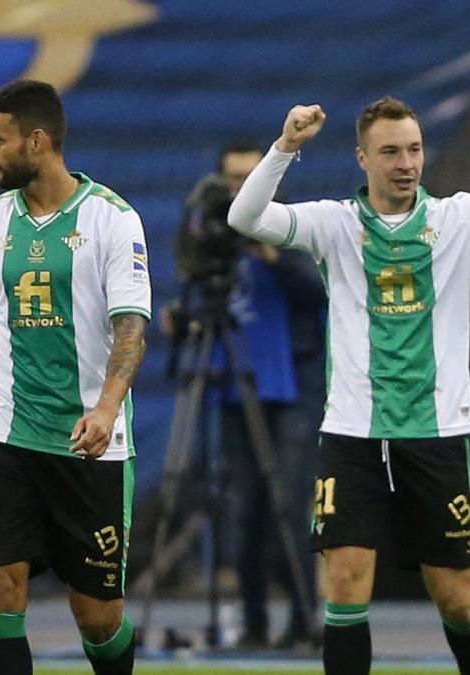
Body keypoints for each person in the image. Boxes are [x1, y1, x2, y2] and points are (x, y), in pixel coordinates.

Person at [228, 93, 470, 674]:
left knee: (457, 594)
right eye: (390, 151)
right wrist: (285, 149)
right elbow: (244, 219)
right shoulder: (334, 225)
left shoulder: (461, 218)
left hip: (436, 433)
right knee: (343, 581)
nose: (405, 162)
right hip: (352, 433)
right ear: (362, 158)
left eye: (414, 149)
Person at [0, 79, 150, 675]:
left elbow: (132, 330)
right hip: (7, 435)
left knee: (98, 617)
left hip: (88, 445)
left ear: (37, 141)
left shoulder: (113, 220)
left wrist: (106, 409)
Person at [169, 144, 327, 649]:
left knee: (288, 499)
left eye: (249, 177)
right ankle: (254, 620)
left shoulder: (295, 226)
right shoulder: (214, 235)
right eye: (232, 179)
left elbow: (321, 291)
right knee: (244, 507)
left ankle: (305, 618)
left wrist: (269, 253)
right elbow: (206, 291)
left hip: (294, 383)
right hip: (235, 382)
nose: (240, 187)